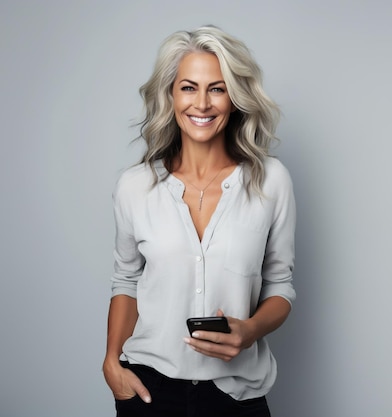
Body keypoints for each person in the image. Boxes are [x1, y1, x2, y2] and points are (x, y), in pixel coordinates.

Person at [102, 25, 296, 417]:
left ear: (235, 98)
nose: (202, 104)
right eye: (189, 87)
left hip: (237, 394)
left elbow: (280, 284)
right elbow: (126, 281)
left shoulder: (271, 181)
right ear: (170, 95)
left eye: (218, 88)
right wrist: (111, 363)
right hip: (149, 389)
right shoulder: (134, 187)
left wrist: (251, 330)